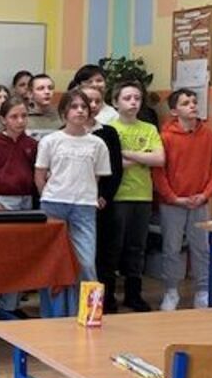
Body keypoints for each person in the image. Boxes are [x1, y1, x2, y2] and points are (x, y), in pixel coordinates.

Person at [34, 89, 111, 317]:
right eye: (74, 107)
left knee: (86, 263)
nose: (80, 111)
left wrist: (86, 194)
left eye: (84, 107)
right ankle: (52, 315)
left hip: (84, 207)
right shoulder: (50, 141)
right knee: (53, 263)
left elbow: (96, 177)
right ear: (64, 112)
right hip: (53, 204)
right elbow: (40, 175)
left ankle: (90, 314)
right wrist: (47, 196)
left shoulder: (97, 144)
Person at [153, 88, 212, 310]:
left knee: (201, 248)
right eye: (185, 103)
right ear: (174, 111)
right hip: (172, 203)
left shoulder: (209, 136)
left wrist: (205, 195)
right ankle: (171, 292)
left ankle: (203, 292)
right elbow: (159, 173)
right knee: (172, 248)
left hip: (199, 201)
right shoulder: (165, 137)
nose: (192, 105)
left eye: (194, 101)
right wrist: (173, 197)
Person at [101, 80, 165, 313]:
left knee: (137, 247)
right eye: (127, 98)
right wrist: (142, 156)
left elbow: (159, 159)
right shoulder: (109, 129)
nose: (133, 102)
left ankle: (133, 294)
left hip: (142, 195)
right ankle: (108, 296)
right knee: (114, 247)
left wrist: (127, 154)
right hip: (118, 195)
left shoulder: (149, 128)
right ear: (115, 102)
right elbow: (111, 163)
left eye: (137, 98)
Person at [0, 97, 38, 315]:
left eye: (23, 116)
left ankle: (13, 304)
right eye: (14, 117)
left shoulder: (31, 144)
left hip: (26, 201)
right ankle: (1, 303)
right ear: (3, 119)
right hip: (2, 201)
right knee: (6, 253)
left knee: (23, 253)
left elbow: (37, 173)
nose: (20, 121)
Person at [81, 85, 124, 313]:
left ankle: (105, 302)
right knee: (83, 256)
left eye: (98, 101)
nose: (93, 106)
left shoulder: (108, 133)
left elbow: (115, 169)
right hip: (77, 202)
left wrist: (104, 196)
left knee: (105, 255)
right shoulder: (66, 133)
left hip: (102, 202)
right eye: (89, 101)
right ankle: (80, 303)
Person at [25, 73, 61, 141]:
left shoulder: (62, 117)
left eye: (50, 88)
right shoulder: (24, 118)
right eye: (41, 89)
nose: (47, 92)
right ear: (30, 93)